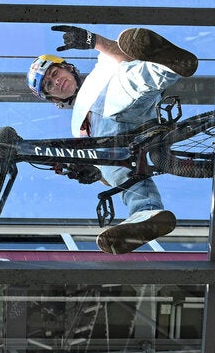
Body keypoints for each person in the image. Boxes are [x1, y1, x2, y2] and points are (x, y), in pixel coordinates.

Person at [26, 25, 198, 254]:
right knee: (116, 172)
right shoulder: (77, 129)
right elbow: (107, 175)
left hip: (128, 107)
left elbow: (124, 54)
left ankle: (166, 65)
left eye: (55, 73)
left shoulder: (100, 70)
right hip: (122, 143)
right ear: (53, 98)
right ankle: (148, 216)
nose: (56, 82)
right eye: (49, 85)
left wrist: (94, 40)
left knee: (127, 82)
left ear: (67, 68)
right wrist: (94, 171)